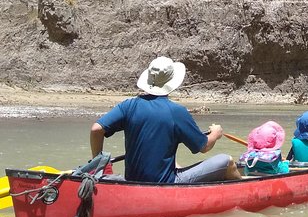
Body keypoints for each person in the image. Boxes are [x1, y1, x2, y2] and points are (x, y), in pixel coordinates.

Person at [89, 56, 241, 183]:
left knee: (174, 162)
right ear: (171, 83)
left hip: (132, 181)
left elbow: (96, 129)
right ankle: (244, 193)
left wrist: (98, 162)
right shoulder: (177, 112)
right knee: (226, 161)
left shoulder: (128, 106)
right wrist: (215, 133)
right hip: (163, 184)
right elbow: (204, 147)